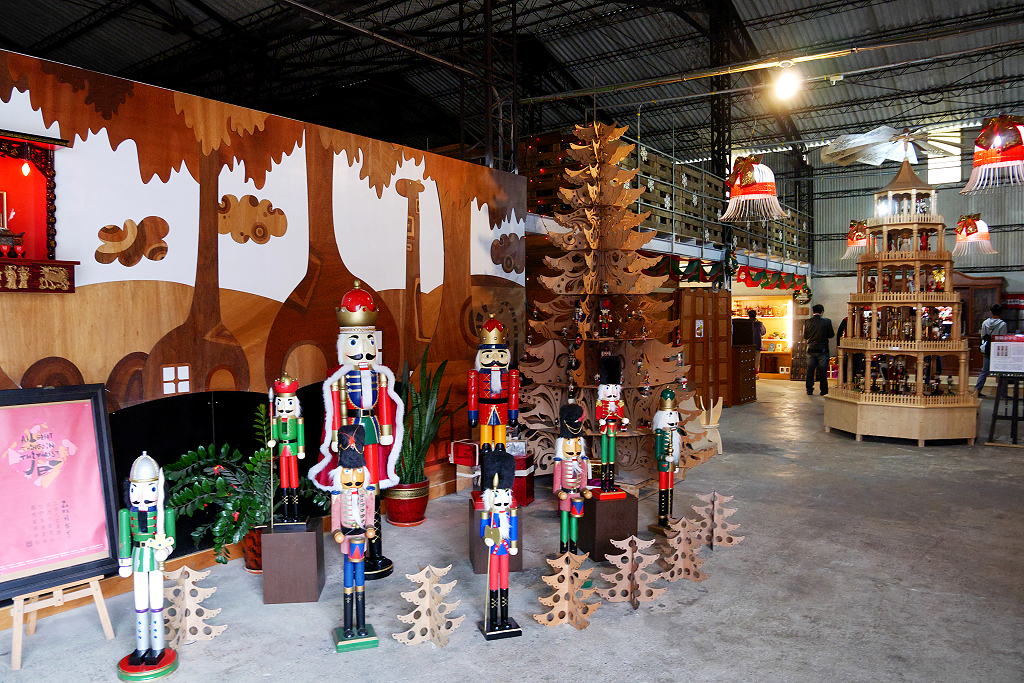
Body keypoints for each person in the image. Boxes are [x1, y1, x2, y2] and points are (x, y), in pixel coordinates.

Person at [975, 304, 1007, 397]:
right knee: (1002, 371)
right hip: (998, 350)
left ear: (991, 312)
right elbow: (1002, 338)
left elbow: (983, 336)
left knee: (984, 371)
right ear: (1001, 313)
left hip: (987, 348)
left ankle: (977, 390)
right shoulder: (1002, 324)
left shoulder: (985, 323)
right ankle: (1002, 392)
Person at [804, 304, 835, 396]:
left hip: (811, 349)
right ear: (822, 312)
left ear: (812, 311)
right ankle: (823, 390)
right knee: (822, 371)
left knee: (810, 370)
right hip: (823, 349)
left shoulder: (808, 322)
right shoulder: (827, 321)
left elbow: (805, 336)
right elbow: (831, 335)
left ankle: (809, 389)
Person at [748, 310, 766, 375]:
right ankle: (755, 374)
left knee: (749, 360)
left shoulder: (746, 323)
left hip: (748, 345)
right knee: (756, 361)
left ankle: (749, 374)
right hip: (757, 344)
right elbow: (763, 332)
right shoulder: (759, 324)